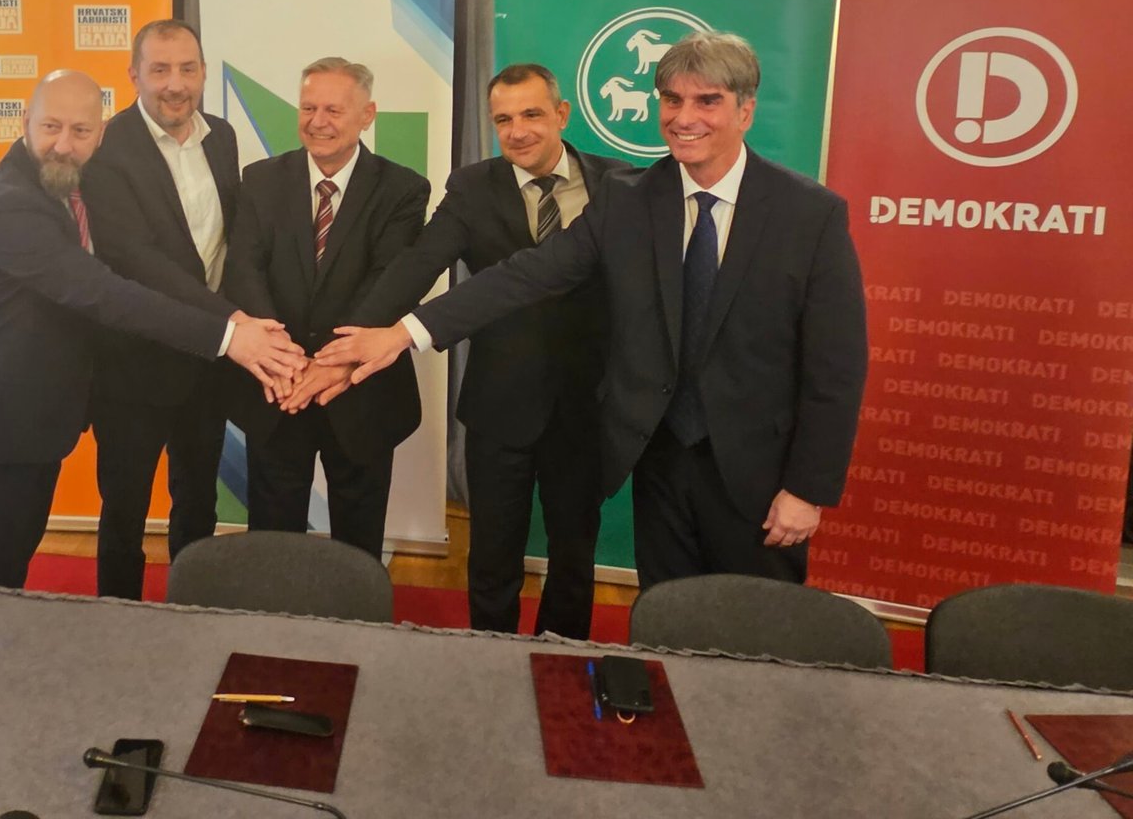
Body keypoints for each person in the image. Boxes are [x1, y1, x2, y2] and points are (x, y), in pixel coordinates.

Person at [318, 32, 867, 589]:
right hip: (660, 459)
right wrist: (401, 334)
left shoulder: (810, 215)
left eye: (708, 101)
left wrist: (807, 488)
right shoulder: (630, 198)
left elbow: (836, 369)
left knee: (755, 622)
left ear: (745, 111)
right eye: (672, 100)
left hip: (760, 473)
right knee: (665, 611)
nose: (684, 118)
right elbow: (525, 274)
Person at [0, 70, 302, 589]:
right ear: (25, 121)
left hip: (35, 420)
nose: (64, 144)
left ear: (100, 134)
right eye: (51, 127)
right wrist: (228, 335)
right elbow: (104, 294)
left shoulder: (60, 183)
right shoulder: (13, 204)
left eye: (81, 130)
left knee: (10, 572)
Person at [345, 64, 623, 636]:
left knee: (574, 553)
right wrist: (358, 337)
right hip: (499, 405)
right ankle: (488, 657)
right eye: (503, 119)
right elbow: (419, 265)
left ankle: (562, 659)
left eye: (531, 114)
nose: (517, 131)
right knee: (493, 554)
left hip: (587, 407)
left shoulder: (619, 184)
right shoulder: (472, 187)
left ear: (562, 115)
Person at [222, 57, 430, 558]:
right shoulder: (260, 179)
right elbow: (244, 269)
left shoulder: (403, 189)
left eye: (334, 110)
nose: (318, 121)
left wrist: (328, 365)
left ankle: (354, 613)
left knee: (358, 546)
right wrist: (285, 360)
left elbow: (389, 285)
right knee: (273, 547)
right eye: (308, 108)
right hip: (279, 387)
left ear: (367, 115)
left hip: (359, 391)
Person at [80, 21, 248, 599]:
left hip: (207, 365)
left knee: (198, 502)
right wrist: (230, 321)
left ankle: (190, 610)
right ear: (134, 76)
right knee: (124, 511)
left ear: (203, 72)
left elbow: (228, 244)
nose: (175, 84)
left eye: (187, 68)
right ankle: (118, 619)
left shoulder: (222, 137)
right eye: (160, 70)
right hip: (133, 368)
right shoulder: (106, 149)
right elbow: (138, 259)